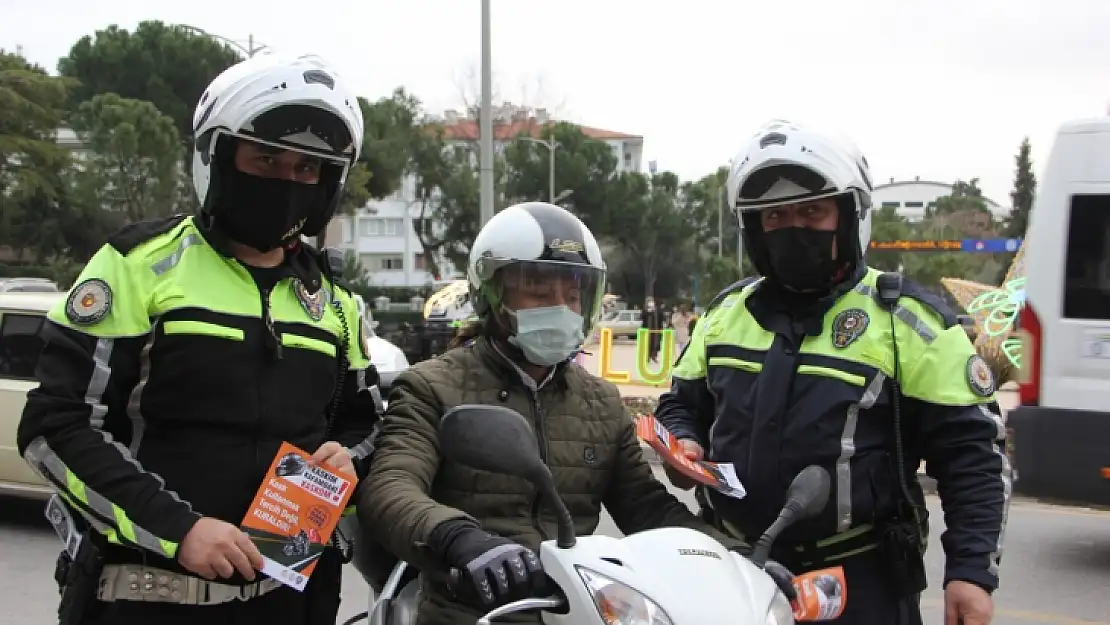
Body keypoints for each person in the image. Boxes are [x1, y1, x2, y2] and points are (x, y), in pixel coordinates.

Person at [17, 53, 382, 625]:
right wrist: (178, 530)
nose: (286, 181)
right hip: (147, 597)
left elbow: (366, 424)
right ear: (218, 158)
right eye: (265, 158)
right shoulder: (136, 266)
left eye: (307, 169)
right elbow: (55, 428)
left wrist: (348, 456)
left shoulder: (334, 303)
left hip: (294, 602)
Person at [656, 120, 1010, 625]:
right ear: (753, 228)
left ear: (850, 216)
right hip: (733, 569)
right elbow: (680, 406)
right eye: (774, 216)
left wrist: (971, 573)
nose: (792, 228)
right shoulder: (724, 315)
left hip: (859, 582)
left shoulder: (906, 321)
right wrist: (683, 441)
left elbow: (974, 455)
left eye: (812, 212)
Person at [358, 202, 763, 625]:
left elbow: (649, 509)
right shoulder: (431, 386)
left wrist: (737, 562)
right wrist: (462, 539)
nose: (562, 307)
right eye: (539, 292)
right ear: (493, 293)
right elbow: (391, 488)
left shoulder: (601, 401)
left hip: (575, 612)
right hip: (470, 612)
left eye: (574, 294)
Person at [642, 297, 664, 362]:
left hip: (656, 329)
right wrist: (648, 311)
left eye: (651, 301)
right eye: (649, 301)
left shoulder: (657, 309)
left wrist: (654, 310)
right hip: (647, 330)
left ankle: (654, 356)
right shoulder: (645, 309)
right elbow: (642, 317)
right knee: (647, 343)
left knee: (656, 343)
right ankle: (647, 357)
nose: (651, 302)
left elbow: (661, 317)